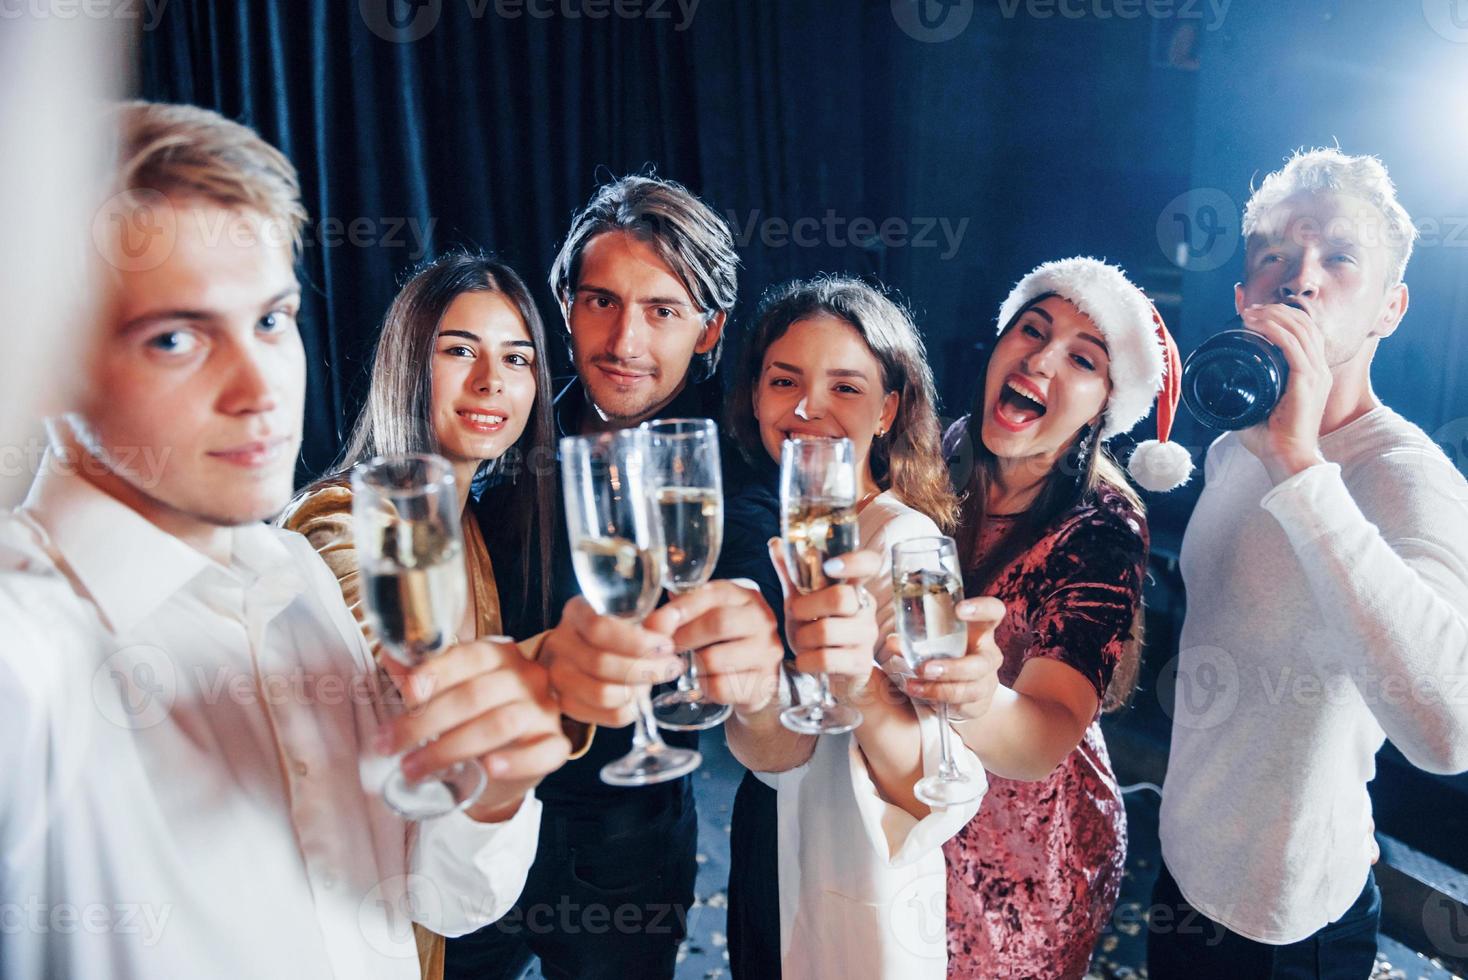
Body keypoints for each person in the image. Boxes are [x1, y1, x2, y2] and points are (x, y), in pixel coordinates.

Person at [0, 101, 569, 980]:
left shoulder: (292, 573)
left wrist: (494, 784)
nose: (259, 385)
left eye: (271, 320)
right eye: (178, 337)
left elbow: (440, 898)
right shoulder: (26, 644)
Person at [445, 175, 786, 980]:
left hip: (627, 846)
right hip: (478, 818)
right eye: (600, 301)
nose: (625, 339)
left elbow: (749, 555)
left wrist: (746, 606)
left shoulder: (731, 470)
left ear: (710, 332)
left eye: (662, 310)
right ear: (563, 307)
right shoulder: (494, 438)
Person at [1149, 149, 1468, 979]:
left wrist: (1302, 464)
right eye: (1275, 258)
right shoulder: (1229, 449)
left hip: (1293, 929)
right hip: (1181, 880)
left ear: (1389, 309)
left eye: (1339, 257)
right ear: (1243, 298)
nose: (1301, 279)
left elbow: (1449, 733)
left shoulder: (1407, 476)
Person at [279, 251, 588, 980]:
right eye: (459, 351)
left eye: (517, 359)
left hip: (429, 908)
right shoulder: (338, 522)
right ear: (407, 364)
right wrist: (566, 665)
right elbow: (407, 694)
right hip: (338, 919)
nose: (491, 382)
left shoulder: (473, 526)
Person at [721, 275, 1004, 978]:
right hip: (765, 842)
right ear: (756, 395)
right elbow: (768, 746)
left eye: (845, 387)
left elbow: (937, 784)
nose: (807, 406)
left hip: (855, 868)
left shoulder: (913, 544)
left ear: (888, 410)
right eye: (784, 380)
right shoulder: (780, 531)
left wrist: (861, 686)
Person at [921, 256, 1193, 979]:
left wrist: (974, 698)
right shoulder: (939, 456)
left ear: (1103, 406)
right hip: (914, 806)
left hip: (1028, 860)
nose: (1041, 358)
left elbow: (1044, 733)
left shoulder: (1104, 527)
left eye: (1082, 358)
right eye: (1031, 330)